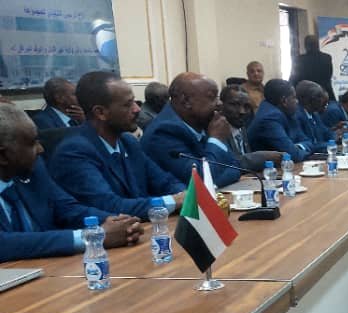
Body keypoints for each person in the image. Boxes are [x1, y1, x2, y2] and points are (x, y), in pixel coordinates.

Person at [0, 103, 142, 262]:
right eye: (32, 143)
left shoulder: (33, 169)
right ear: (3, 156)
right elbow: (4, 244)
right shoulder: (29, 166)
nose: (41, 149)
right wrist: (90, 237)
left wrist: (120, 223)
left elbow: (67, 208)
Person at [50, 71, 187, 218]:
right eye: (128, 104)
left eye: (134, 101)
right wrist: (174, 201)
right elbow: (111, 206)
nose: (137, 109)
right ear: (100, 112)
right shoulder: (73, 153)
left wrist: (185, 195)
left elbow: (166, 182)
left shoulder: (128, 142)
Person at [140, 72, 242, 186]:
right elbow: (201, 181)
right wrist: (216, 140)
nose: (219, 103)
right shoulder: (163, 133)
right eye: (212, 97)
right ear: (186, 101)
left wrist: (214, 180)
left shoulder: (202, 121)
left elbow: (235, 166)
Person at [219, 85, 283, 171]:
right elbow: (227, 164)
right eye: (235, 104)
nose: (242, 111)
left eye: (246, 106)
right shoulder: (217, 132)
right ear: (221, 105)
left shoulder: (242, 128)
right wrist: (261, 157)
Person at [248, 79, 314, 162]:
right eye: (294, 98)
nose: (297, 102)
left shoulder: (288, 113)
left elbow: (308, 141)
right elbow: (292, 155)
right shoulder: (269, 118)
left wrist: (298, 147)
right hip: (266, 168)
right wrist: (294, 148)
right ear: (284, 101)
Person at [290, 35, 335, 102]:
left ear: (306, 46)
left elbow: (294, 79)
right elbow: (329, 75)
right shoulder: (327, 57)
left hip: (306, 96)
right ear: (318, 45)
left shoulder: (300, 60)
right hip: (325, 93)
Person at [294, 81, 333, 152]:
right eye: (320, 97)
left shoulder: (315, 115)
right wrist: (332, 145)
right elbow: (310, 144)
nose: (323, 101)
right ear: (312, 99)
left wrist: (340, 135)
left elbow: (326, 133)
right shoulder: (297, 116)